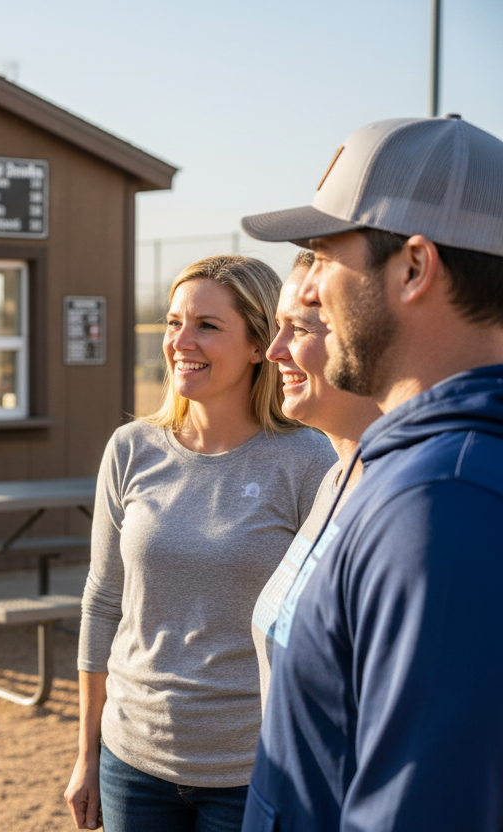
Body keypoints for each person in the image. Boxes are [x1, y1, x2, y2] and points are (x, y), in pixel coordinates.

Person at [240, 115, 503, 831]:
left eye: (324, 254)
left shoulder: (442, 502)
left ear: (414, 267)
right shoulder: (410, 468)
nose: (311, 288)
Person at [64, 255, 335, 832]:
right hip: (130, 762)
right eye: (172, 322)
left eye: (207, 326)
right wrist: (88, 753)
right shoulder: (131, 448)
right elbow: (102, 601)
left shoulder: (310, 461)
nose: (180, 341)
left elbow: (322, 635)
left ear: (261, 343)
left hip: (253, 768)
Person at [252, 250, 381, 711]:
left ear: (363, 339)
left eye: (300, 329)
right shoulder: (335, 478)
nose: (273, 350)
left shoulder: (397, 501)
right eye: (278, 326)